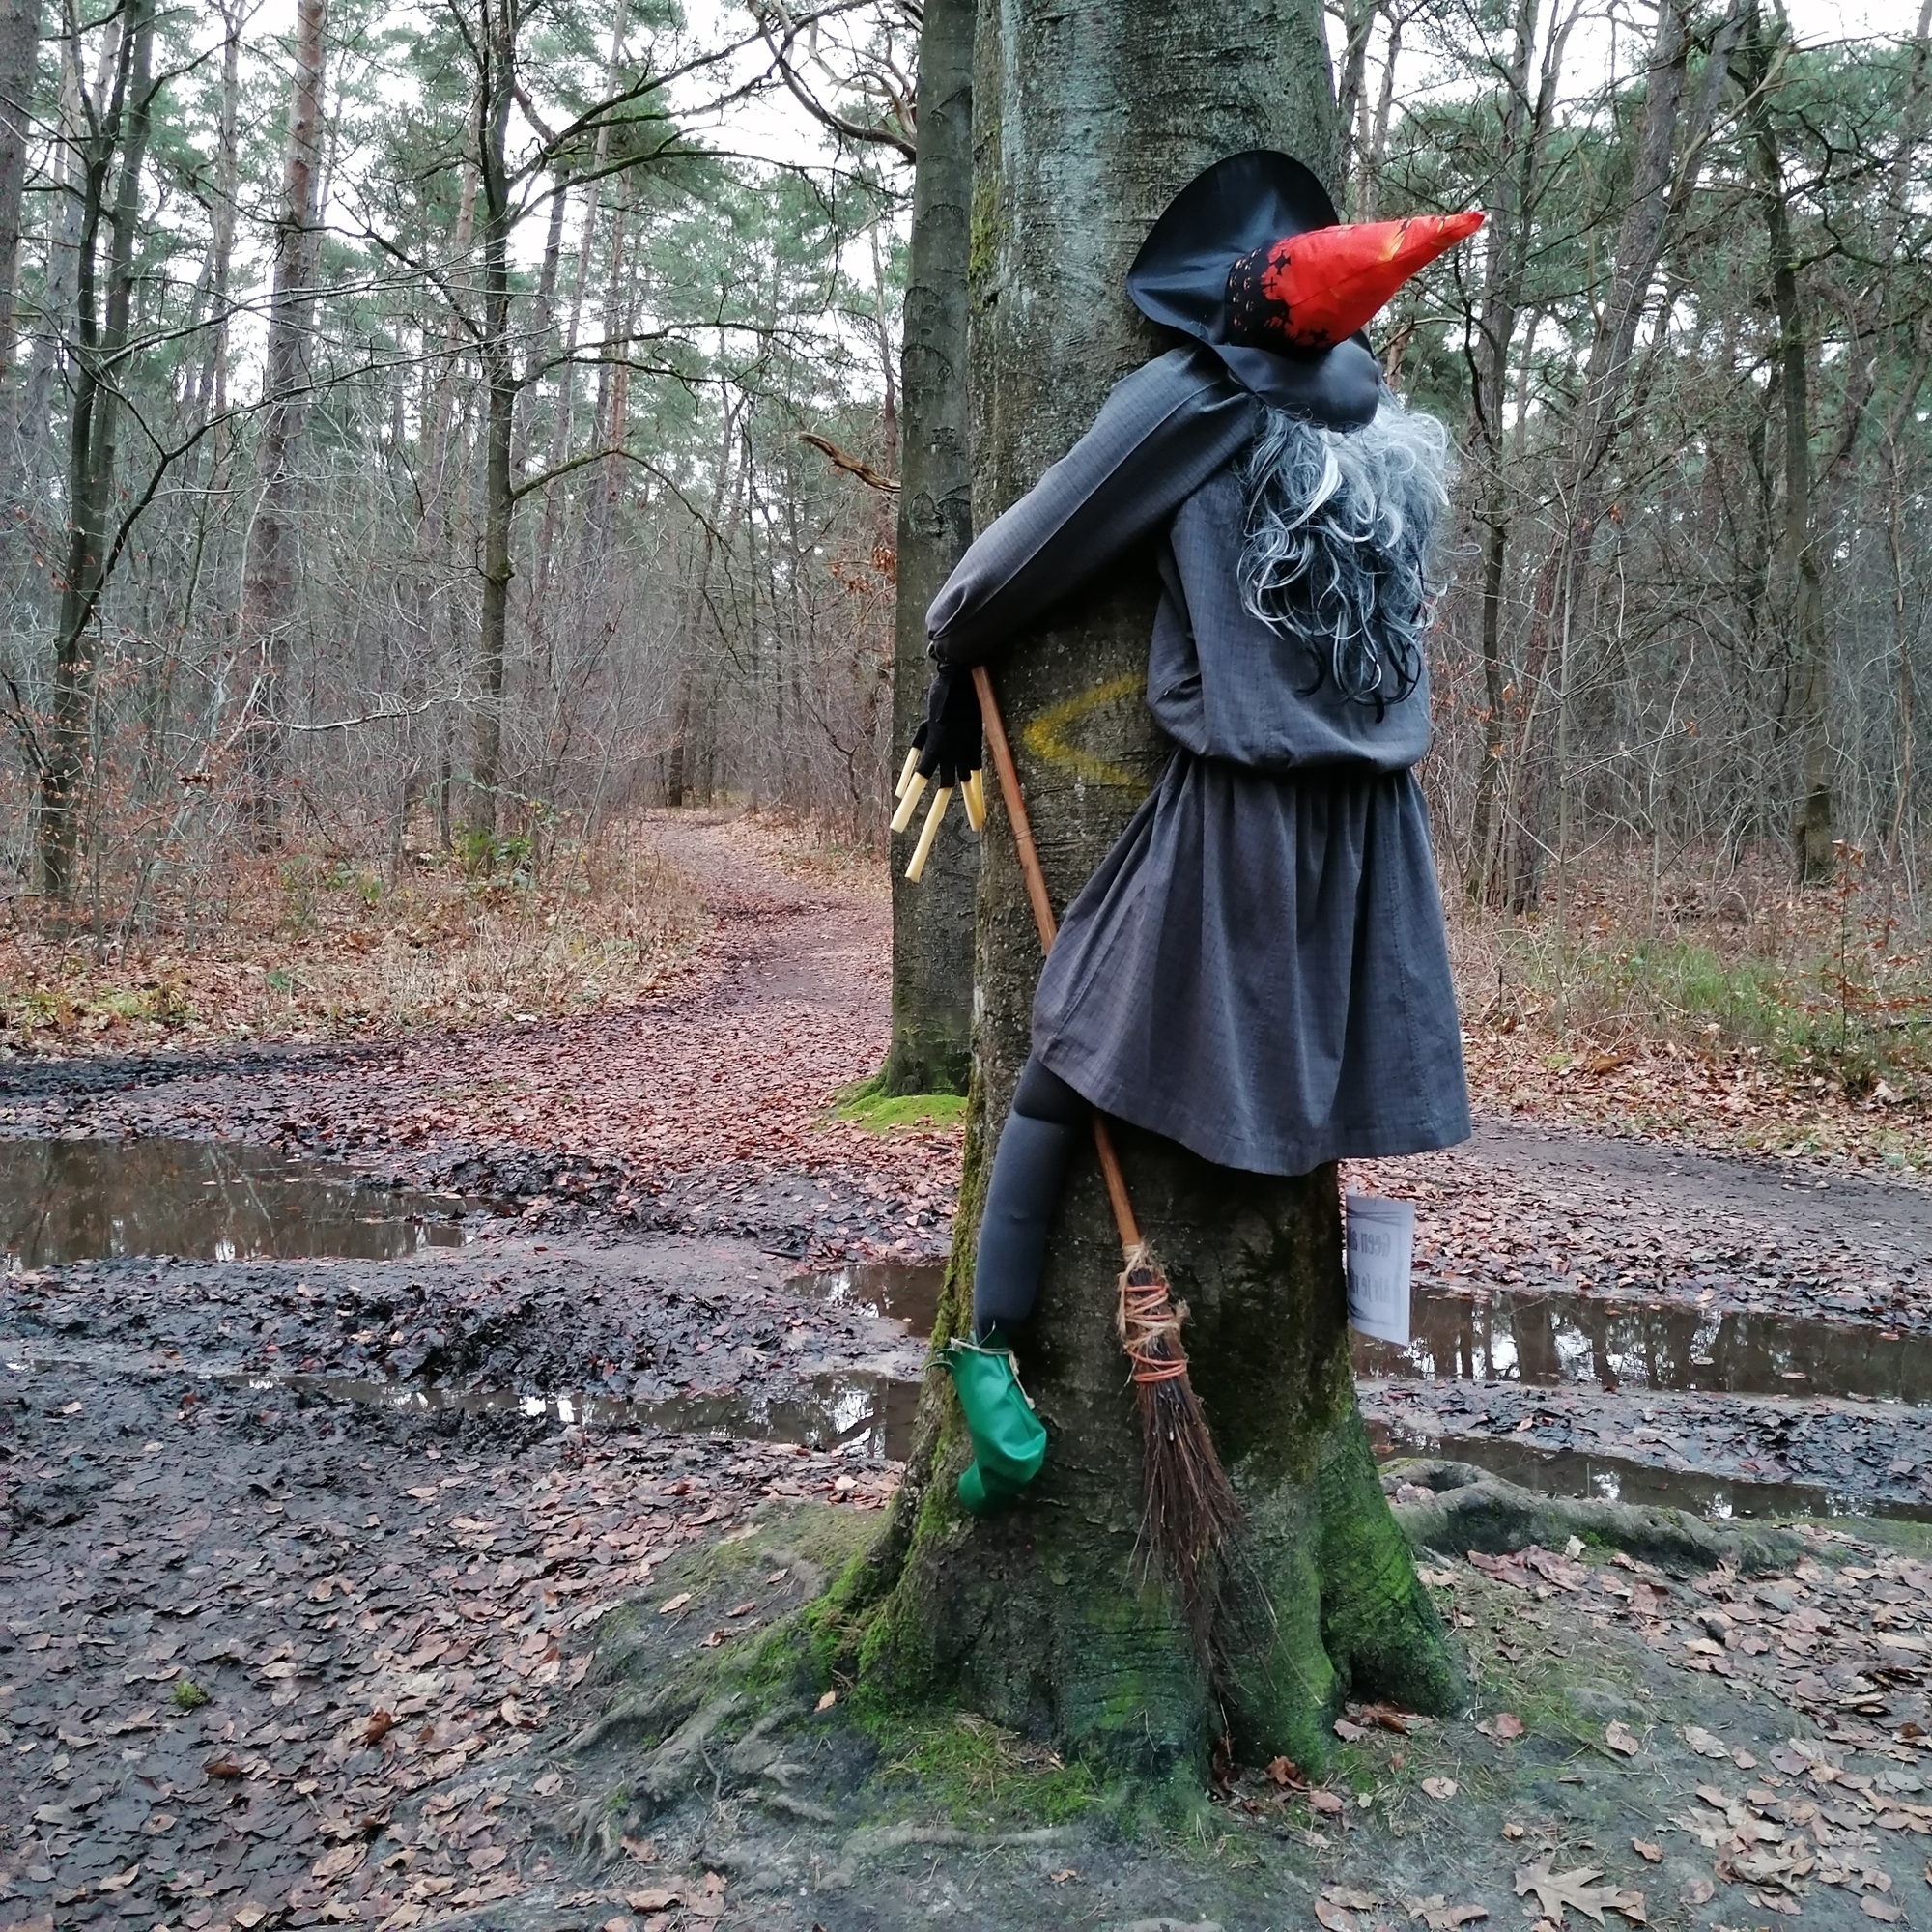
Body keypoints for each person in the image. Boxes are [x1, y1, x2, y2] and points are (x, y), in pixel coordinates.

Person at [902, 151, 1481, 1513]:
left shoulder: (1196, 397)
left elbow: (1007, 565)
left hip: (1244, 817)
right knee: (1297, 1082)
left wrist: (953, 651)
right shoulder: (1381, 425)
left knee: (1064, 1052)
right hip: (1375, 840)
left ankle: (987, 1369)